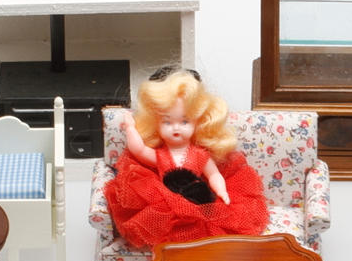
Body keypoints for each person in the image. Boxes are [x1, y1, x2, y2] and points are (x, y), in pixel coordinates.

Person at [105, 68, 269, 248]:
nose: (176, 128)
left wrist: (222, 191)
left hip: (197, 202)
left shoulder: (199, 155)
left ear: (198, 122)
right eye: (167, 122)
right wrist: (130, 127)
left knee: (209, 226)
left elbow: (214, 175)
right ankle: (169, 256)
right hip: (166, 204)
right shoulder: (162, 155)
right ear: (155, 123)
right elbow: (140, 150)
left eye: (184, 121)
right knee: (166, 233)